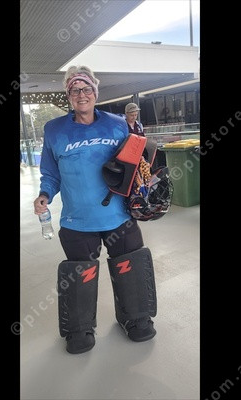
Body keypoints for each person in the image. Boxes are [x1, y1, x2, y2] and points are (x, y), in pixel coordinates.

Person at [33, 66, 158, 354]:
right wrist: (44, 195)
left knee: (130, 266)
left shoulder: (117, 124)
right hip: (78, 220)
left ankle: (135, 317)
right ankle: (80, 328)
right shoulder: (54, 130)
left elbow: (133, 163)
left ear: (95, 92)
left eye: (87, 89)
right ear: (69, 95)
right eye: (75, 90)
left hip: (119, 216)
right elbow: (50, 173)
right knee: (81, 274)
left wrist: (145, 183)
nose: (82, 94)